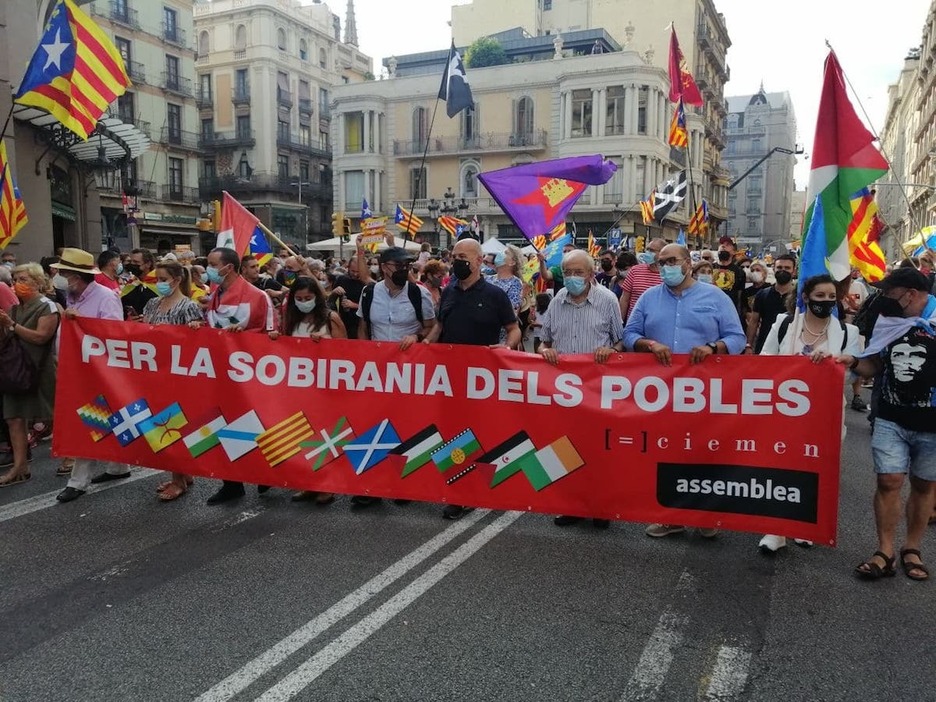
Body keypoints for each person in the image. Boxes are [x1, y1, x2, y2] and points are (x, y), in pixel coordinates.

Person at [623, 243, 746, 539]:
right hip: (659, 391)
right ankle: (673, 516)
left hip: (703, 392)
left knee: (704, 451)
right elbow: (629, 334)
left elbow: (737, 338)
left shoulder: (716, 297)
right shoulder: (649, 298)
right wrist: (649, 344)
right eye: (661, 262)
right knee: (668, 451)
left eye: (672, 261)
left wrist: (712, 347)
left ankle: (705, 514)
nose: (666, 267)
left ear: (688, 262)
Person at [838, 268, 936, 581]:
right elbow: (874, 365)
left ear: (909, 294)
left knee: (923, 485)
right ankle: (885, 550)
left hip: (932, 425)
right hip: (891, 417)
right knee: (889, 481)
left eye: (889, 293)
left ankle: (912, 548)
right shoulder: (889, 323)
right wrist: (852, 362)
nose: (883, 298)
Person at [756, 274, 860, 553]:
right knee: (780, 468)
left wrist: (832, 363)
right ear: (805, 297)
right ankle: (775, 530)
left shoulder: (848, 333)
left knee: (814, 470)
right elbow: (764, 361)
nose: (826, 301)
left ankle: (804, 525)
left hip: (825, 415)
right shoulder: (784, 324)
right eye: (820, 296)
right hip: (782, 411)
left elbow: (852, 377)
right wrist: (792, 367)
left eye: (831, 297)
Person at [424, 238, 520, 520]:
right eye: (454, 256)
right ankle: (458, 493)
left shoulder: (495, 295)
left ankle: (480, 487)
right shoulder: (449, 290)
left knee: (478, 433)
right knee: (452, 433)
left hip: (482, 380)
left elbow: (513, 328)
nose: (457, 261)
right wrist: (425, 345)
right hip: (450, 378)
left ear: (480, 261)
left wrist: (508, 347)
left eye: (464, 256)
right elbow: (440, 326)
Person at [539, 249, 624, 530]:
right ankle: (572, 504)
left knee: (598, 448)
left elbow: (621, 342)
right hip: (564, 392)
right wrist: (544, 351)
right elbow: (544, 341)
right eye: (568, 273)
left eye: (579, 272)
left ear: (590, 274)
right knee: (566, 446)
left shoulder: (607, 300)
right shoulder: (555, 303)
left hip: (597, 390)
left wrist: (609, 350)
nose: (573, 278)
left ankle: (600, 506)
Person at [351, 247, 436, 509]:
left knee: (406, 426)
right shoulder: (369, 293)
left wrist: (418, 338)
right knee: (372, 425)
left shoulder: (417, 293)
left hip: (408, 371)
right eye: (399, 265)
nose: (404, 270)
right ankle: (370, 486)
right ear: (384, 266)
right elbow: (364, 327)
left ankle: (405, 484)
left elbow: (432, 326)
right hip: (376, 372)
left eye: (408, 265)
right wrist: (365, 355)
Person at [193, 247, 275, 505]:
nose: (208, 268)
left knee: (256, 421)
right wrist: (198, 327)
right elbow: (214, 329)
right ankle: (231, 482)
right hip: (221, 373)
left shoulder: (258, 296)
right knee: (223, 421)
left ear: (228, 267)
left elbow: (272, 337)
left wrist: (244, 337)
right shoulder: (215, 293)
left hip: (250, 375)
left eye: (212, 263)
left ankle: (265, 472)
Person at [51, 249, 127, 501]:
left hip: (97, 372)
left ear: (77, 276)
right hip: (78, 370)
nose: (59, 277)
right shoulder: (74, 295)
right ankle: (118, 466)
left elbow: (114, 334)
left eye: (63, 273)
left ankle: (78, 481)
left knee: (88, 422)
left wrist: (80, 321)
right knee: (103, 418)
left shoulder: (105, 298)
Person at [270, 276, 346, 505]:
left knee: (324, 435)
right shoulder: (292, 319)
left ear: (318, 297)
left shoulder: (330, 317)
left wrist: (326, 342)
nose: (303, 302)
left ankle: (327, 484)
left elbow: (347, 350)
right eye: (299, 298)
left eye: (308, 298)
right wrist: (276, 339)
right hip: (300, 387)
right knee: (303, 433)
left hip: (324, 386)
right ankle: (308, 483)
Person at [139, 260, 204, 501]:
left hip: (179, 376)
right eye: (157, 279)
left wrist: (197, 329)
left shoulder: (188, 306)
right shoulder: (152, 304)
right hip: (155, 373)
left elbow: (198, 343)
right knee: (160, 423)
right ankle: (181, 473)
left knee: (173, 424)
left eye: (163, 279)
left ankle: (179, 480)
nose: (159, 283)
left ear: (176, 280)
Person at [0, 263, 59, 488]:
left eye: (23, 279)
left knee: (53, 414)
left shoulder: (47, 307)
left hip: (40, 369)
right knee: (14, 417)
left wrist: (12, 325)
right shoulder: (15, 308)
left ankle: (71, 457)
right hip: (15, 369)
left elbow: (40, 337)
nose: (18, 284)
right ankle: (20, 466)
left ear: (37, 281)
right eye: (15, 279)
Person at [746, 254, 796, 355]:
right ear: (773, 269)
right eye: (779, 267)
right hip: (764, 347)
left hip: (790, 347)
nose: (783, 270)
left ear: (794, 271)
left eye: (787, 268)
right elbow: (754, 322)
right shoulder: (762, 294)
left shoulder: (799, 297)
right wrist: (748, 345)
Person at [486, 245, 524, 348]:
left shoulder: (515, 283)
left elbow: (511, 311)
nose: (501, 254)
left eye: (506, 253)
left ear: (512, 262)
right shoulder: (487, 279)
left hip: (501, 339)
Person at [619, 238, 665, 323]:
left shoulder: (667, 275)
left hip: (658, 326)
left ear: (662, 253)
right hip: (634, 325)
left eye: (652, 250)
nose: (647, 252)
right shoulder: (635, 271)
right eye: (647, 249)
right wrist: (620, 323)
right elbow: (625, 299)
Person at [122, 248, 158, 320]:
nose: (132, 265)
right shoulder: (132, 283)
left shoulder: (159, 283)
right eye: (130, 262)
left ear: (148, 264)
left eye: (136, 262)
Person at [712, 237, 746, 314]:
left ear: (733, 251)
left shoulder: (739, 272)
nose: (723, 246)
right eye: (721, 244)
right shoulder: (709, 268)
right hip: (711, 309)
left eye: (727, 245)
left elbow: (740, 296)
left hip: (729, 312)